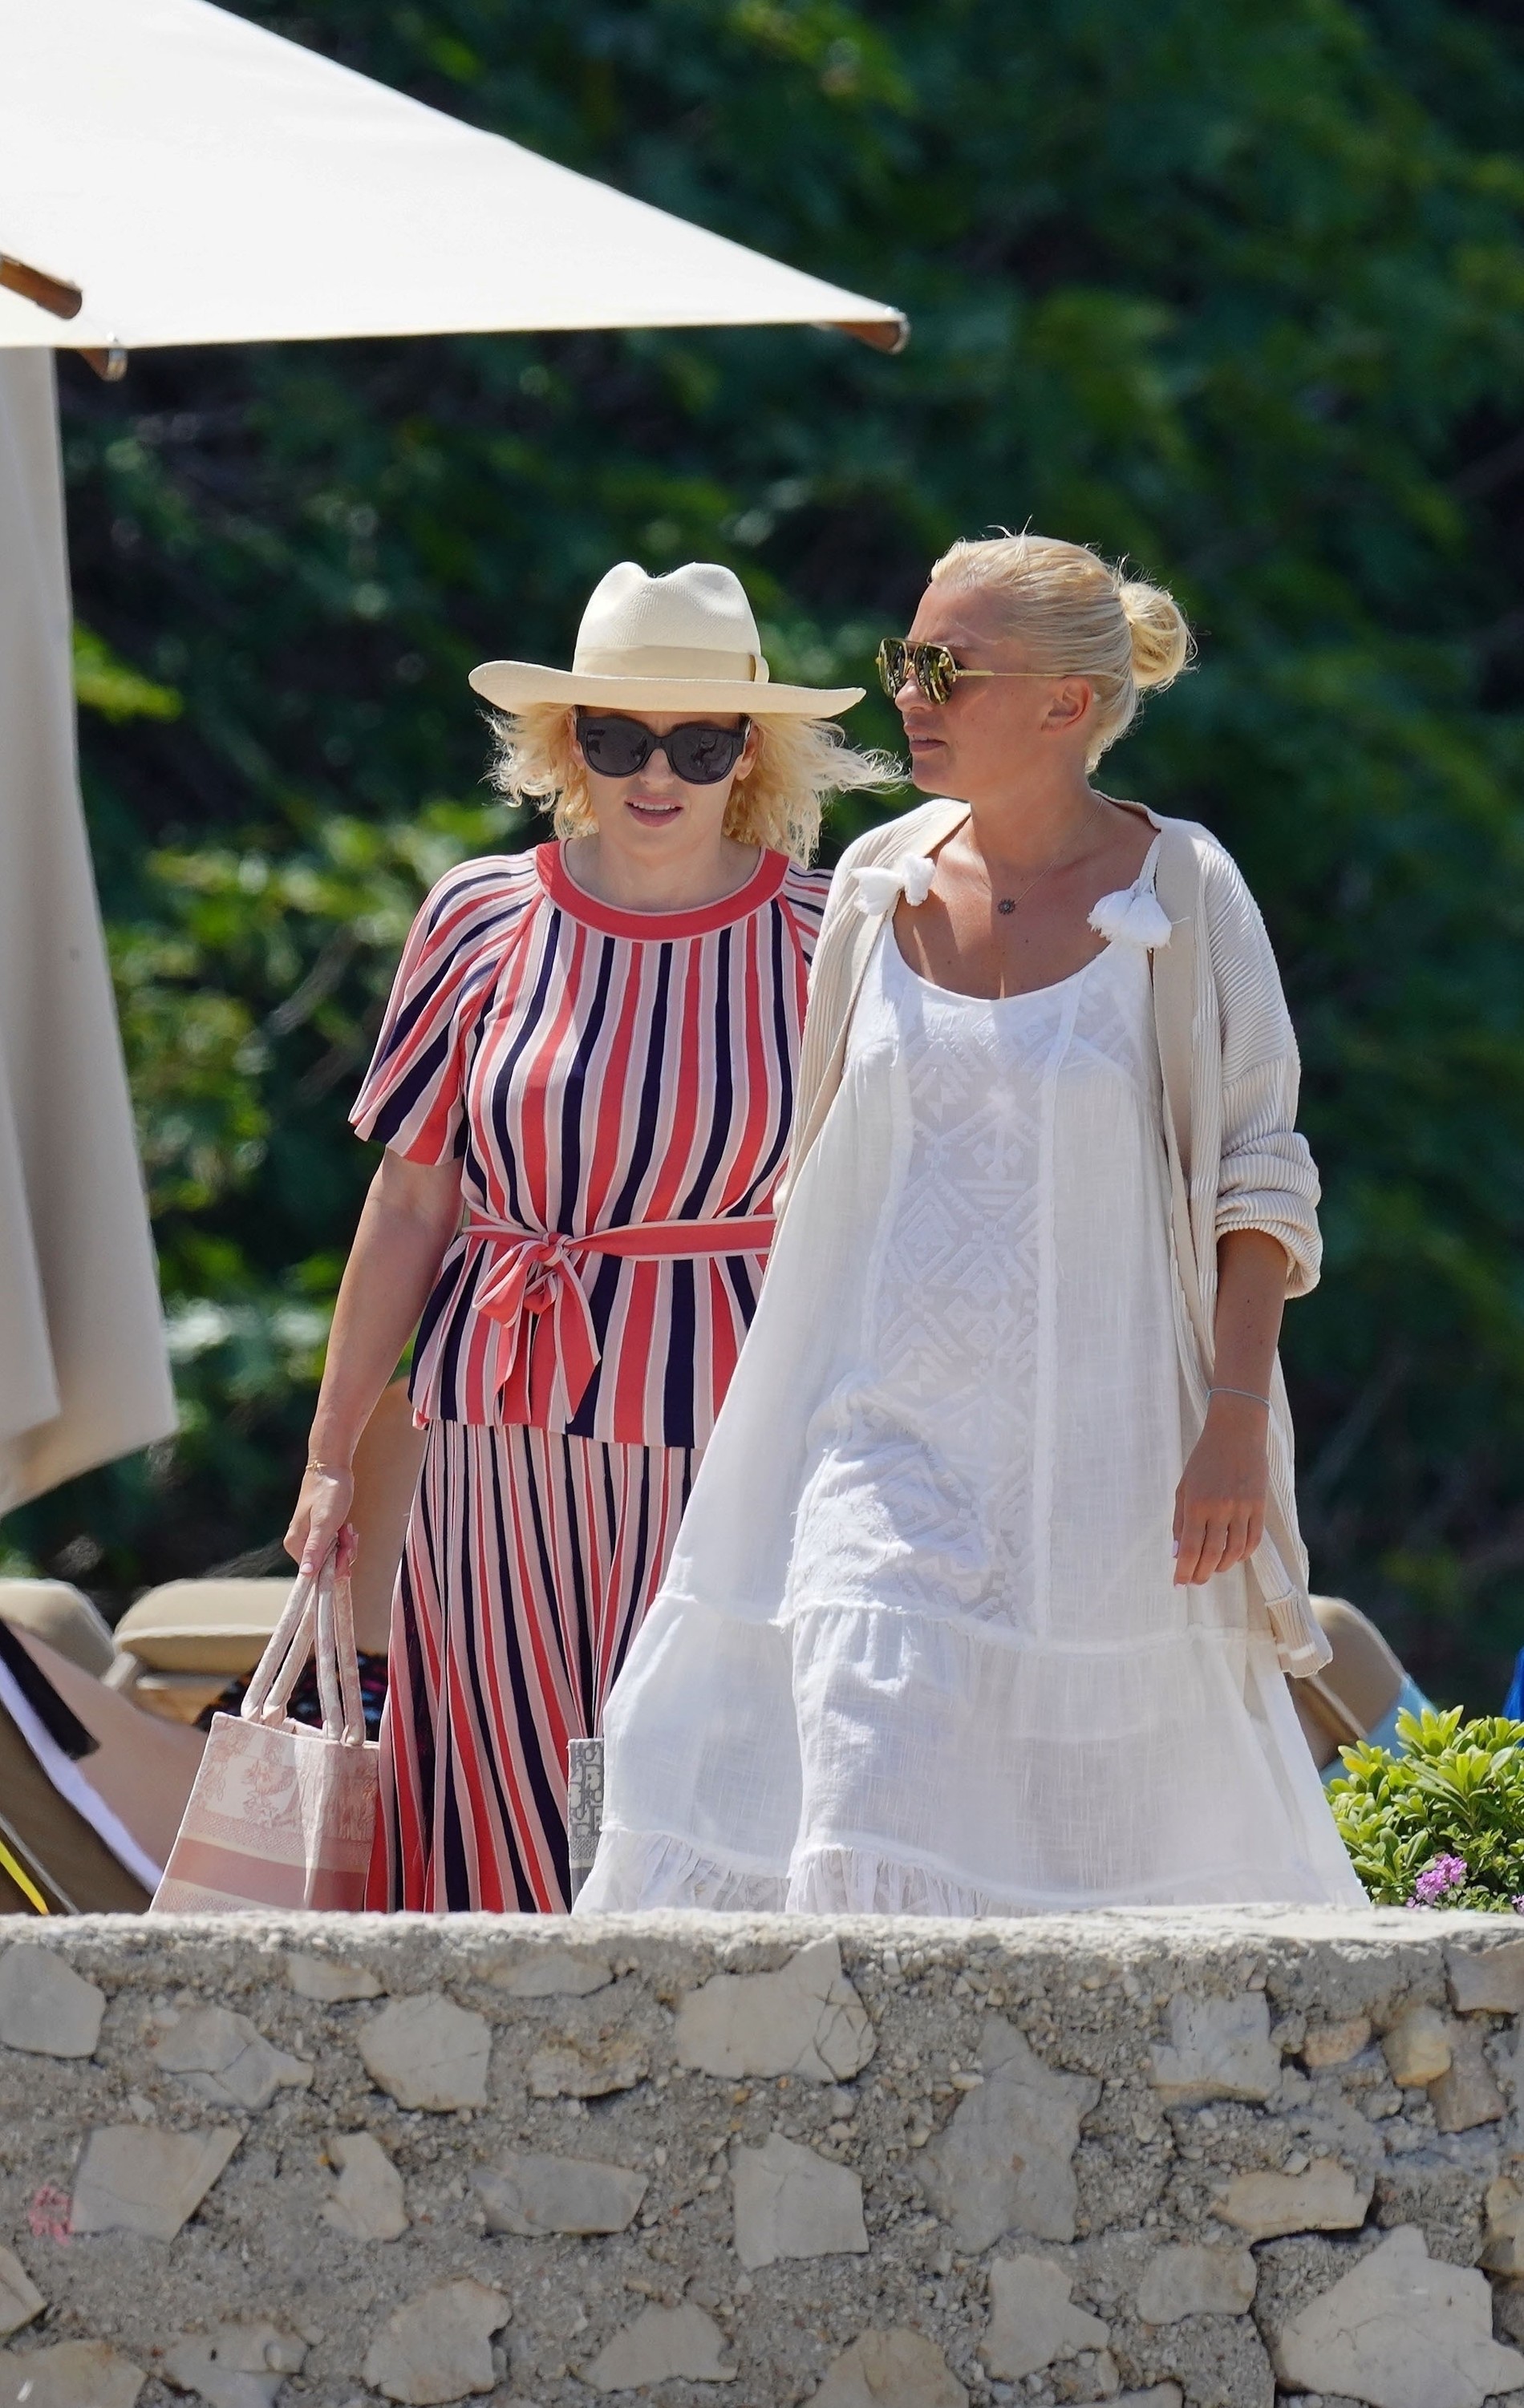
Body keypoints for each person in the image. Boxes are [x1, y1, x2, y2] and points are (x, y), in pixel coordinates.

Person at [578, 532, 1368, 1914]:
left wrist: (1237, 1419)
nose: (908, 694)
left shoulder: (1185, 893)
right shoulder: (875, 883)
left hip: (1115, 1462)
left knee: (1106, 1854)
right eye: (905, 660)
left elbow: (1259, 1176)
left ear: (1068, 704)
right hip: (880, 1443)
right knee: (860, 1765)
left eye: (946, 669)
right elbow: (823, 1173)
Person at [285, 561, 891, 1912]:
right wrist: (330, 1458)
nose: (655, 773)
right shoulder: (478, 916)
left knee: (692, 1788)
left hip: (732, 1443)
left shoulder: (832, 936)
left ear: (750, 752)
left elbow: (888, 1218)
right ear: (570, 745)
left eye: (697, 742)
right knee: (494, 1784)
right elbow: (411, 1203)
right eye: (618, 738)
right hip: (493, 1442)